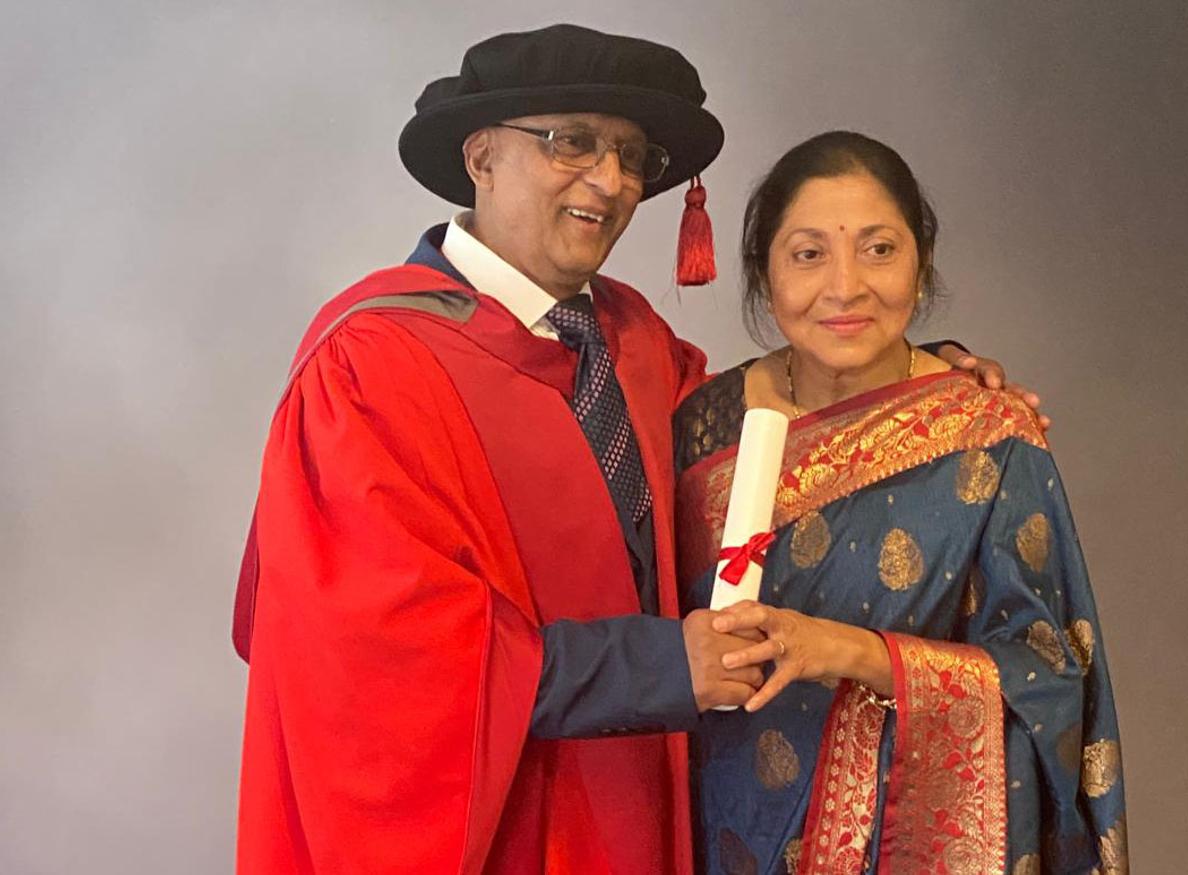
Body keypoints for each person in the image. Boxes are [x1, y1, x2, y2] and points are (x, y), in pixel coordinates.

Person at [232, 25, 1036, 874]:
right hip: (493, 832)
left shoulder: (631, 338)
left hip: (636, 815)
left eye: (631, 155)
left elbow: (765, 429)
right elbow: (382, 656)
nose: (611, 181)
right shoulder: (371, 367)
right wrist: (666, 666)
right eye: (572, 142)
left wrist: (910, 371)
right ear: (481, 158)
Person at [673, 131, 1125, 874]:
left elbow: (1045, 677)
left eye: (879, 249)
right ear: (764, 273)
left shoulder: (986, 431)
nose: (846, 286)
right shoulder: (701, 425)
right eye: (808, 254)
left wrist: (851, 652)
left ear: (921, 263)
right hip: (720, 830)